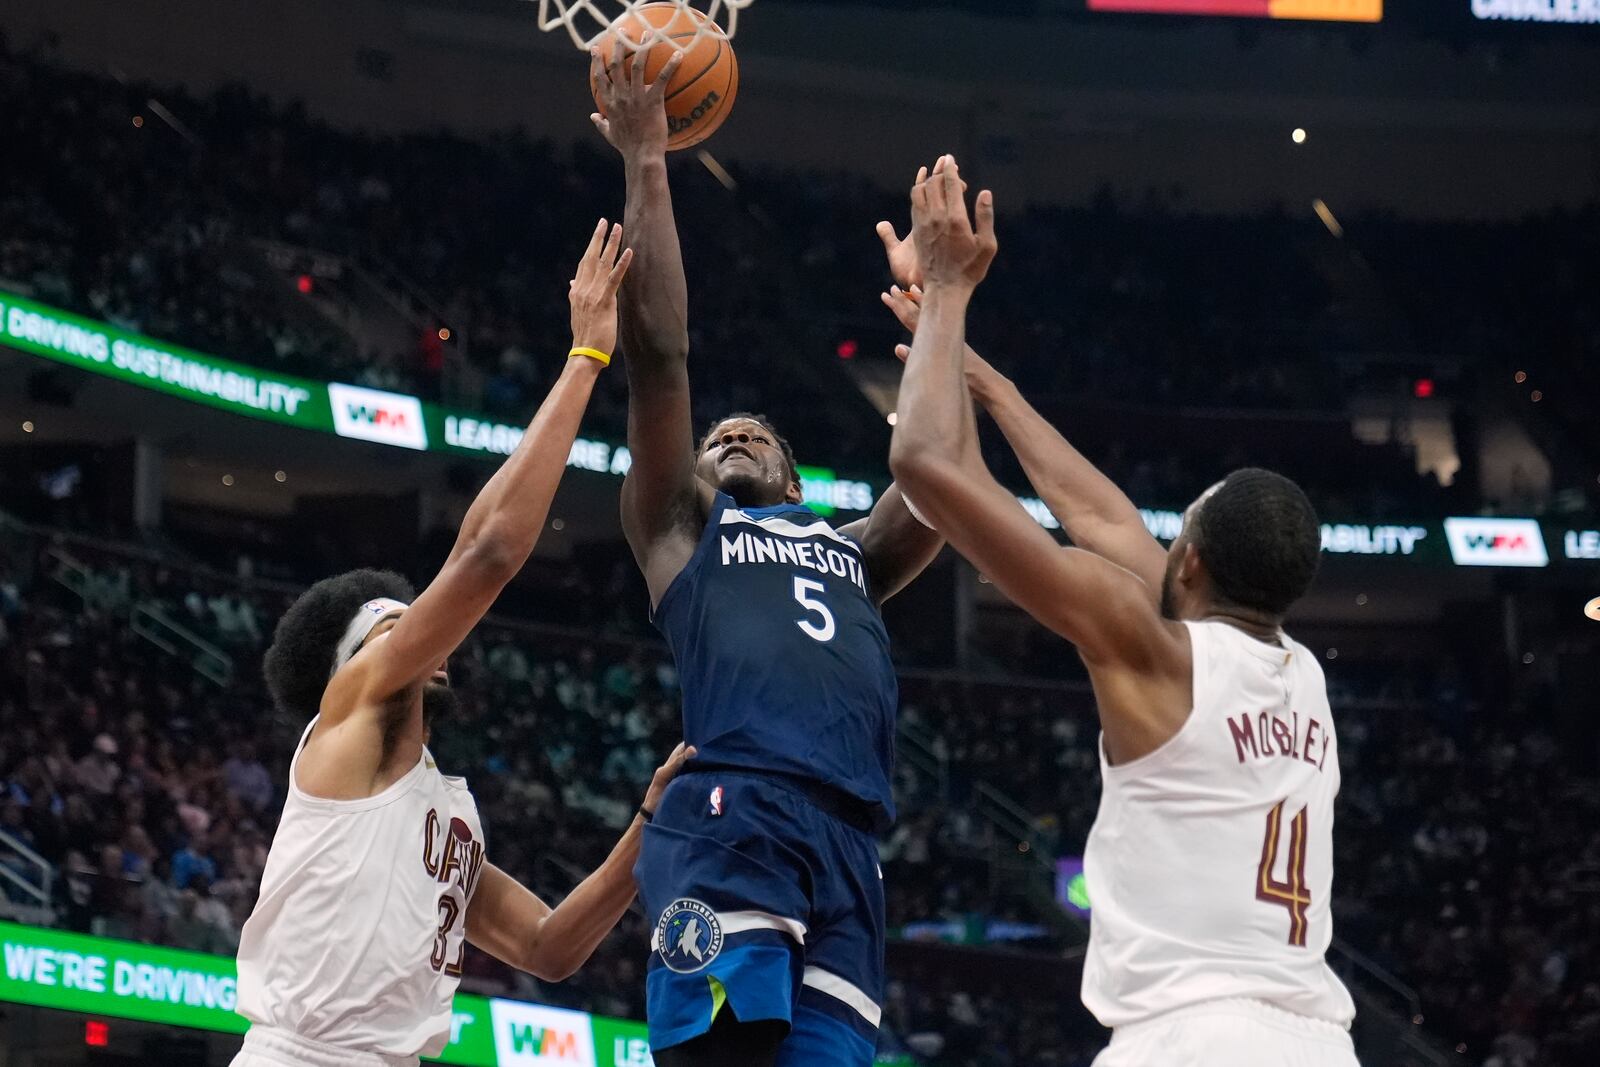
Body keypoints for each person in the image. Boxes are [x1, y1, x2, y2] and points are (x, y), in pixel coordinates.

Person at [884, 156, 1359, 1066]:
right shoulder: (1299, 673)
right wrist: (981, 377)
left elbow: (926, 469)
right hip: (1316, 1041)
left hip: (1195, 1038)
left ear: (1190, 563)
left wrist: (948, 293)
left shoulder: (1153, 649)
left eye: (1175, 531)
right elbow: (1101, 517)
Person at [231, 222, 695, 1067]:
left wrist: (651, 822)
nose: (420, 632)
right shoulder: (347, 720)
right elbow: (484, 554)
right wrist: (583, 362)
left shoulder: (444, 813)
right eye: (391, 626)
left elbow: (553, 948)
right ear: (350, 666)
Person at [589, 45, 946, 1067]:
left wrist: (944, 323)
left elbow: (941, 478)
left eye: (754, 431)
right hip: (732, 811)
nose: (729, 433)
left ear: (792, 477)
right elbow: (660, 359)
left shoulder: (855, 548)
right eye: (716, 435)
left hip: (850, 849)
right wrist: (648, 159)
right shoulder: (678, 527)